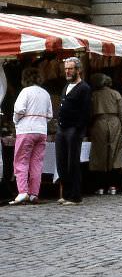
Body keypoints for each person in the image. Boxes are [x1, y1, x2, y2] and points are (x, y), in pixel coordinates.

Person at [10, 68, 53, 205]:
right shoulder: (45, 93)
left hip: (26, 129)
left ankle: (22, 191)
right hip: (41, 131)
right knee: (37, 163)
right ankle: (34, 193)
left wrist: (16, 121)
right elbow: (50, 115)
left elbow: (19, 109)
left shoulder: (25, 91)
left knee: (21, 161)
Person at [55, 57, 92, 205]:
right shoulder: (66, 86)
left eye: (70, 68)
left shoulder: (84, 88)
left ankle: (75, 196)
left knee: (72, 163)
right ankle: (66, 194)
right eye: (66, 69)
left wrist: (78, 128)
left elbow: (86, 111)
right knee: (61, 162)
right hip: (62, 128)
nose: (67, 71)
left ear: (78, 70)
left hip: (73, 129)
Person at [88, 73, 122, 196]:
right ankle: (113, 186)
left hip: (99, 124)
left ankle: (100, 186)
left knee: (100, 154)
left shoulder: (94, 95)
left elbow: (90, 113)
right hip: (115, 123)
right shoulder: (116, 94)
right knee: (114, 154)